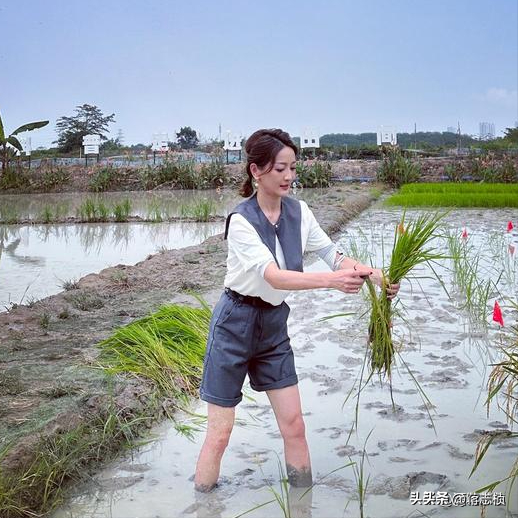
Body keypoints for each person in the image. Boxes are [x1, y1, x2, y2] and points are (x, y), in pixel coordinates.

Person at [194, 128, 399, 492]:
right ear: (256, 171)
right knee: (221, 433)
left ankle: (303, 502)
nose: (289, 177)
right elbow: (274, 276)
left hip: (273, 326)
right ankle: (204, 503)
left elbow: (334, 256)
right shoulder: (241, 221)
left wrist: (376, 275)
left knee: (294, 426)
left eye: (292, 168)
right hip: (234, 325)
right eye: (279, 169)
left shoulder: (300, 212)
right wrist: (332, 281)